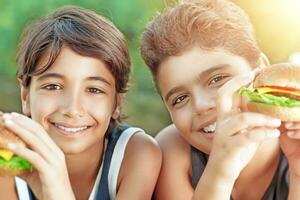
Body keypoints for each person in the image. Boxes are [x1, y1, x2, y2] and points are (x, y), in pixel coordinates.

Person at [140, 0, 300, 199]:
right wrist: (221, 172)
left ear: (261, 69)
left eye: (217, 79)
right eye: (180, 98)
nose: (200, 105)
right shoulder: (172, 150)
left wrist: (298, 172)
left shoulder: (295, 139)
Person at [0, 5, 161, 200]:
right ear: (25, 96)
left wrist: (58, 190)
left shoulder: (135, 155)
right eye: (53, 86)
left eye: (94, 90)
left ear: (116, 104)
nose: (72, 109)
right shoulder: (8, 157)